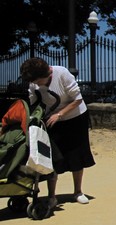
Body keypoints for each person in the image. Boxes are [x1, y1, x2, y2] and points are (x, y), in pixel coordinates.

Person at [20, 58, 95, 209]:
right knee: (51, 157)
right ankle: (51, 196)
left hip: (75, 117)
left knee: (76, 154)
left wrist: (59, 114)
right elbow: (33, 102)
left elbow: (78, 99)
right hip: (51, 119)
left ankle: (78, 192)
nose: (36, 84)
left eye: (38, 81)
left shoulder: (62, 73)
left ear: (45, 74)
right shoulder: (34, 82)